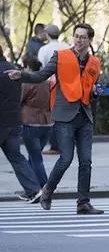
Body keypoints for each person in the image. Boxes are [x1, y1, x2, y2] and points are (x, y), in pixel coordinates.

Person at [5, 23, 104, 214]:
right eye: (76, 36)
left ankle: (83, 203)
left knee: (86, 162)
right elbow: (42, 75)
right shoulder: (61, 56)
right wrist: (22, 75)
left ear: (90, 40)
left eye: (83, 37)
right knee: (65, 159)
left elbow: (91, 87)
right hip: (64, 115)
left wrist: (95, 92)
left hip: (84, 116)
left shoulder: (95, 63)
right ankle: (48, 190)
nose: (78, 40)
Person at [0, 45, 42, 203]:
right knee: (16, 157)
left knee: (16, 157)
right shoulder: (12, 69)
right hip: (14, 121)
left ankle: (33, 190)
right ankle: (33, 190)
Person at [20, 54, 52, 188]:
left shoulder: (28, 82)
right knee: (33, 157)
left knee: (36, 159)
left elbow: (19, 100)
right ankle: (32, 187)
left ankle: (45, 188)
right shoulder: (48, 82)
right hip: (47, 123)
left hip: (30, 123)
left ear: (27, 67)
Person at [37, 24, 69, 156]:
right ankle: (66, 143)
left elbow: (41, 68)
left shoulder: (44, 49)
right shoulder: (67, 47)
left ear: (47, 34)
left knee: (53, 115)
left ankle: (55, 145)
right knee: (66, 114)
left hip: (51, 84)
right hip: (68, 84)